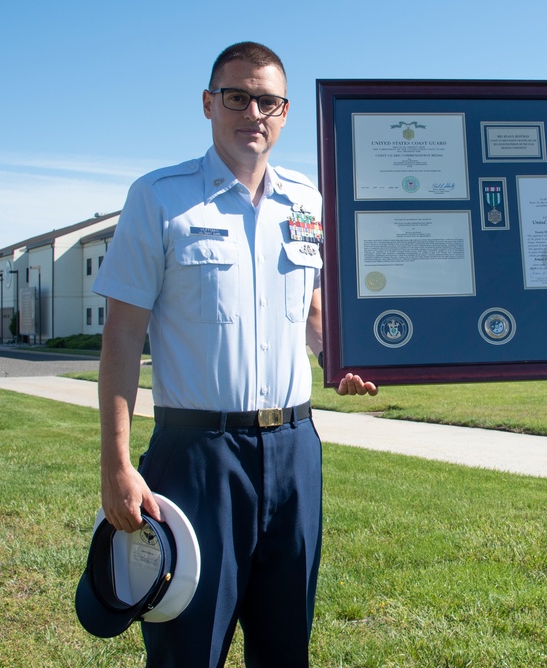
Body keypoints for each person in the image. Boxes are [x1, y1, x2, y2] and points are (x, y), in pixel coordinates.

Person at [93, 41, 377, 667]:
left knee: (285, 647)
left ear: (285, 111)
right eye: (237, 97)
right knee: (186, 648)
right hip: (197, 457)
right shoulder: (160, 198)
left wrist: (340, 356)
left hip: (295, 452)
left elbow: (310, 310)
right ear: (208, 103)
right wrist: (116, 461)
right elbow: (121, 335)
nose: (254, 112)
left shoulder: (309, 202)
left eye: (268, 101)